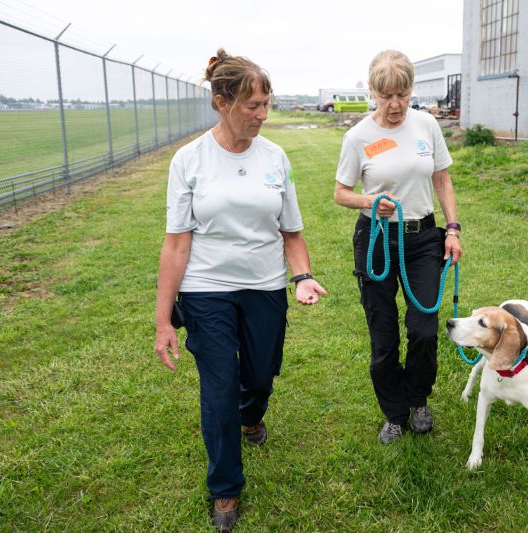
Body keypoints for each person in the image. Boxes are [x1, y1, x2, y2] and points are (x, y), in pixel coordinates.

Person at [154, 48, 327, 532]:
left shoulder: (276, 156)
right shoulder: (188, 160)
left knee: (259, 375)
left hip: (265, 286)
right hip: (206, 287)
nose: (262, 115)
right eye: (253, 105)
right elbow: (175, 245)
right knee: (219, 387)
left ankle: (253, 415)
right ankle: (225, 488)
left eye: (266, 104)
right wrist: (164, 320)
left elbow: (291, 232)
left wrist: (302, 276)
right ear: (221, 101)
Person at [333, 50, 462, 445]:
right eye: (386, 96)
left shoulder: (426, 125)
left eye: (402, 95)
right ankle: (393, 412)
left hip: (423, 240)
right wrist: (369, 201)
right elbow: (341, 193)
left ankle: (417, 399)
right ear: (372, 91)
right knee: (384, 335)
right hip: (377, 241)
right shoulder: (358, 137)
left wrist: (452, 228)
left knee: (424, 330)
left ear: (411, 90)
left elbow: (442, 180)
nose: (395, 106)